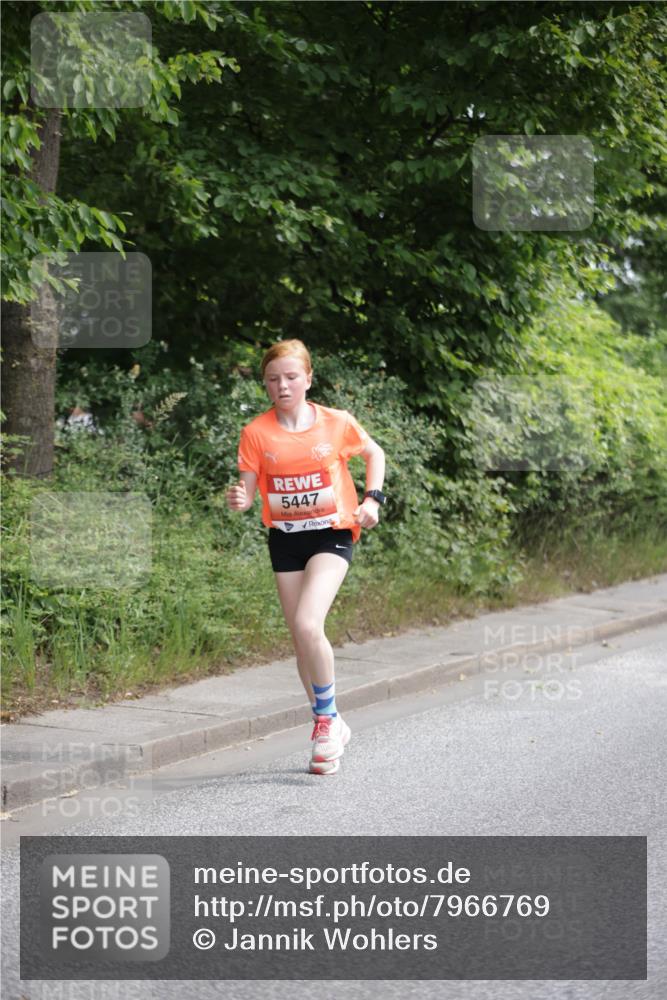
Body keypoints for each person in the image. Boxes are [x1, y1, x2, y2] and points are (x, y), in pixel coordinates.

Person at [226, 339, 386, 775]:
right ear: (265, 384)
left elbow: (375, 454)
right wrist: (240, 500)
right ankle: (329, 721)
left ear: (308, 379)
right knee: (302, 640)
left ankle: (325, 722)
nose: (283, 385)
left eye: (292, 377)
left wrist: (372, 500)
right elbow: (247, 492)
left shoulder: (336, 422)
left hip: (333, 533)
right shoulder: (256, 433)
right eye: (274, 379)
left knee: (307, 624)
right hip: (286, 539)